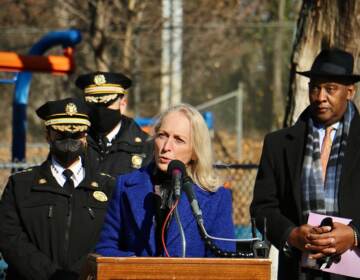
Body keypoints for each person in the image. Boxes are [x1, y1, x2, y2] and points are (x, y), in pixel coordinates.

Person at [250, 48, 360, 280]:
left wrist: (354, 235)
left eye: (330, 89)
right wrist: (291, 234)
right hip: (298, 271)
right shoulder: (278, 144)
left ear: (349, 91)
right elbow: (262, 207)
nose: (320, 97)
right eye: (315, 87)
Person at [95, 103, 235, 257]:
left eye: (179, 140)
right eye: (162, 135)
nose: (166, 146)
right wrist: (137, 268)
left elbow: (223, 261)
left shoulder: (217, 198)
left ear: (195, 151)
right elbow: (105, 248)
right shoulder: (125, 186)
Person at [0, 98, 114, 280]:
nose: (69, 140)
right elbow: (9, 238)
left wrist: (81, 274)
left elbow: (111, 239)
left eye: (76, 134)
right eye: (61, 134)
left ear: (85, 136)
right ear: (48, 135)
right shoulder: (21, 185)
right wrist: (52, 276)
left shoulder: (108, 187)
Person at [75, 72, 153, 176]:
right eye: (93, 104)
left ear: (122, 105)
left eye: (107, 104)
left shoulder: (145, 146)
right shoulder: (75, 141)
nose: (100, 111)